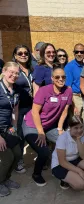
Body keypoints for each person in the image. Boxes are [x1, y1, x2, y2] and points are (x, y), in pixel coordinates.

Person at [22, 65, 72, 186]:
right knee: (43, 151)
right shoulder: (44, 91)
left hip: (49, 126)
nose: (60, 79)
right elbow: (34, 112)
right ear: (52, 78)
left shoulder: (68, 91)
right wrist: (40, 132)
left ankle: (59, 171)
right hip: (32, 125)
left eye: (63, 77)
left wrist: (60, 128)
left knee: (66, 143)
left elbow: (64, 112)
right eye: (57, 77)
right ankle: (36, 174)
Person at [51, 115, 84, 190]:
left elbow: (83, 156)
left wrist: (78, 139)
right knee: (81, 185)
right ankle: (65, 179)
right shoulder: (63, 138)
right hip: (59, 165)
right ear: (70, 127)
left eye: (81, 127)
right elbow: (62, 162)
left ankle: (73, 176)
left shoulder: (82, 136)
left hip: (74, 160)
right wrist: (79, 171)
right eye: (76, 128)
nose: (79, 130)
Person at [0, 62, 21, 197]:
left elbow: (15, 108)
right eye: (11, 72)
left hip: (8, 129)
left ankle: (5, 178)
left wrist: (14, 126)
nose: (13, 75)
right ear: (4, 70)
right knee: (8, 157)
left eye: (16, 73)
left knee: (18, 154)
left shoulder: (15, 89)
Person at [12, 45, 33, 173]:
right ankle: (18, 161)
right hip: (18, 107)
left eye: (26, 53)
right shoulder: (13, 70)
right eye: (20, 53)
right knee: (18, 134)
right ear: (15, 56)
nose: (23, 55)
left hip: (31, 106)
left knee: (29, 132)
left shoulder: (31, 69)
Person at [65, 43, 84, 118]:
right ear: (74, 53)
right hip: (75, 98)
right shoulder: (69, 67)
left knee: (83, 122)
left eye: (81, 52)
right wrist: (73, 105)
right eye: (77, 52)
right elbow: (68, 87)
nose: (79, 54)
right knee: (76, 123)